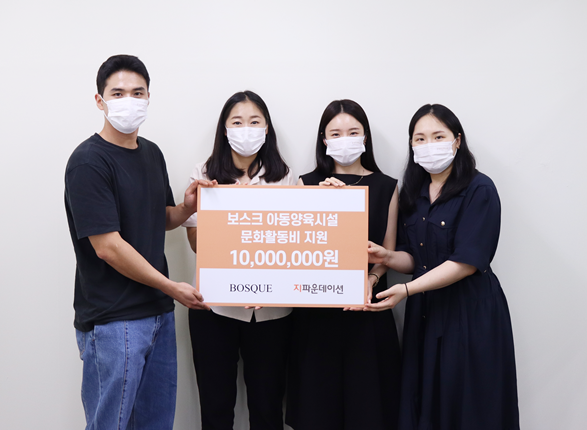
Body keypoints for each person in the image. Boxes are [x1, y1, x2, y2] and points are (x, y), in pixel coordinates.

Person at [64, 54, 214, 430]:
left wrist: (187, 207)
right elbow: (108, 247)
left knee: (155, 423)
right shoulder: (88, 162)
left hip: (158, 313)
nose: (128, 101)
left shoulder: (151, 153)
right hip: (114, 320)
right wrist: (172, 287)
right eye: (118, 93)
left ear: (148, 98)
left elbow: (159, 218)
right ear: (99, 100)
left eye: (137, 92)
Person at [366, 104, 519, 430]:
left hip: (469, 312)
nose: (429, 145)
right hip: (425, 313)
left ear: (457, 140)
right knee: (427, 403)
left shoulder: (479, 189)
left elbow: (466, 263)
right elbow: (414, 258)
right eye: (420, 138)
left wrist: (407, 289)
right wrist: (387, 257)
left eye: (438, 136)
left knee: (470, 406)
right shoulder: (413, 193)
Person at [286, 99, 401, 430]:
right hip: (316, 315)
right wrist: (323, 202)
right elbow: (297, 251)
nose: (345, 139)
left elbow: (387, 252)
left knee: (368, 410)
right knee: (317, 410)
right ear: (324, 139)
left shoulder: (387, 186)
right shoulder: (306, 183)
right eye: (336, 133)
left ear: (365, 137)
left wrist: (372, 279)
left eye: (353, 132)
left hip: (367, 311)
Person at [183, 90, 294, 430]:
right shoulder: (203, 174)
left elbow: (293, 244)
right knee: (216, 410)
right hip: (214, 307)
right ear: (225, 128)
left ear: (267, 128)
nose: (246, 129)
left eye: (254, 121)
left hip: (272, 311)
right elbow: (196, 244)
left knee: (268, 409)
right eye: (237, 122)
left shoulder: (286, 177)